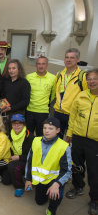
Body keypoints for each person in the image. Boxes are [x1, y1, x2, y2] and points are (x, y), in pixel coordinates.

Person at [65, 69, 98, 214]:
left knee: (94, 171)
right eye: (89, 79)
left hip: (95, 142)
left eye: (95, 78)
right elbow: (73, 116)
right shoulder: (81, 96)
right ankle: (77, 187)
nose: (91, 81)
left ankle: (95, 199)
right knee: (77, 166)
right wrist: (70, 133)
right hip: (78, 137)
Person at [25, 117, 72, 215]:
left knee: (56, 195)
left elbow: (67, 170)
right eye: (45, 128)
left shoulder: (64, 147)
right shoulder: (36, 141)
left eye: (50, 128)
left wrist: (57, 184)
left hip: (54, 179)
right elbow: (29, 161)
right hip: (40, 180)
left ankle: (51, 209)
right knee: (39, 201)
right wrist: (28, 179)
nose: (46, 131)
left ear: (58, 130)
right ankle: (45, 192)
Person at [52, 48, 87, 139]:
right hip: (58, 113)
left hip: (73, 115)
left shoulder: (82, 76)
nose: (68, 60)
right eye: (67, 57)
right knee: (56, 140)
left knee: (70, 141)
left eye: (72, 57)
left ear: (78, 60)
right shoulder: (59, 74)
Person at [2, 114, 34, 197]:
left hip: (27, 161)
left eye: (19, 124)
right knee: (5, 181)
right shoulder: (10, 134)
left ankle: (19, 186)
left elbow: (32, 156)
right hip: (15, 159)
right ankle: (20, 175)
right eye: (14, 124)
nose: (16, 126)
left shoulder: (29, 137)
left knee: (13, 166)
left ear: (24, 125)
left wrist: (18, 157)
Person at [26, 56, 56, 136]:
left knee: (41, 136)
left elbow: (53, 95)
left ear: (47, 65)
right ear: (36, 65)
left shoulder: (53, 78)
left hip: (43, 112)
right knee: (28, 135)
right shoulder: (29, 77)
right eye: (39, 63)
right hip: (29, 111)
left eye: (43, 64)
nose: (41, 66)